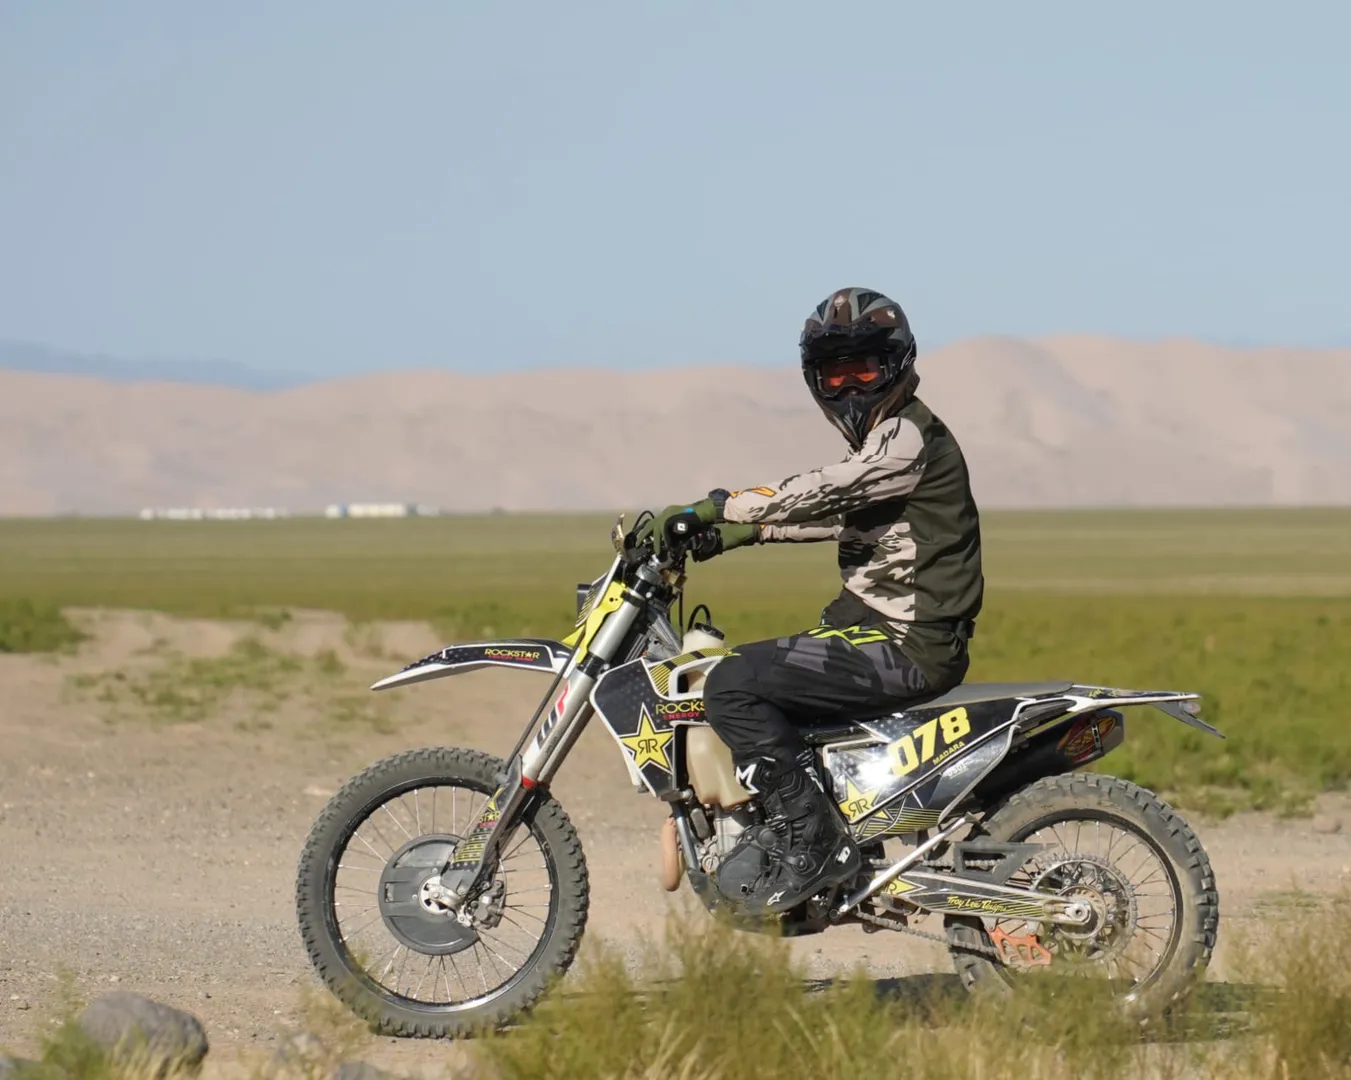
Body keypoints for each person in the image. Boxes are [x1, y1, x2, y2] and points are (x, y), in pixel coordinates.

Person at [636, 286, 984, 915]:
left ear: (897, 363)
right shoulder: (890, 441)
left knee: (733, 686)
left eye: (864, 369)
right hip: (883, 630)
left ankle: (811, 842)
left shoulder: (906, 437)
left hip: (906, 644)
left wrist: (721, 507)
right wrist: (739, 534)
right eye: (835, 373)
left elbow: (831, 489)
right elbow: (844, 513)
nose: (850, 387)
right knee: (758, 677)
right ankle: (791, 828)